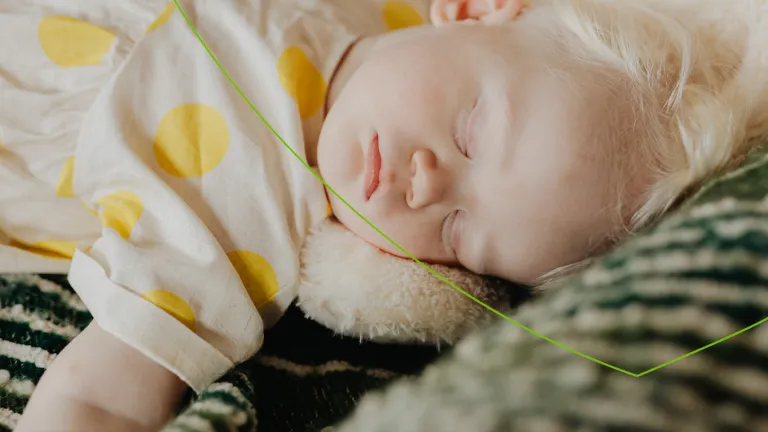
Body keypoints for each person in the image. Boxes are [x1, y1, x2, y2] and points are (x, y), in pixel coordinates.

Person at [3, 0, 765, 429]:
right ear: (474, 11)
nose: (425, 187)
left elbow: (96, 399)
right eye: (472, 130)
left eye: (461, 233)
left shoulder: (239, 225)